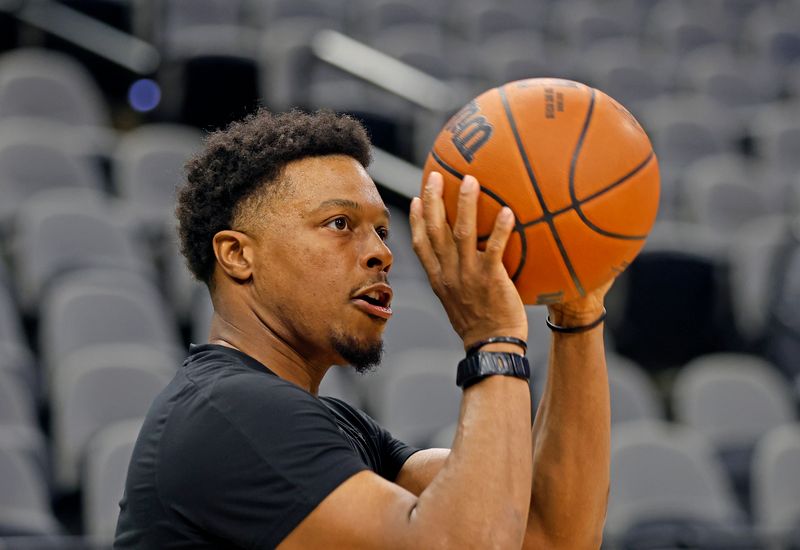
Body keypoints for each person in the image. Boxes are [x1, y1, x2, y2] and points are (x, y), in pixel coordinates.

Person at [114, 109, 611, 549]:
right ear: (238, 255)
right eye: (339, 224)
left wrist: (578, 315)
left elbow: (552, 536)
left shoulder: (331, 425)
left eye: (381, 230)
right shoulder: (232, 412)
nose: (382, 253)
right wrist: (494, 337)